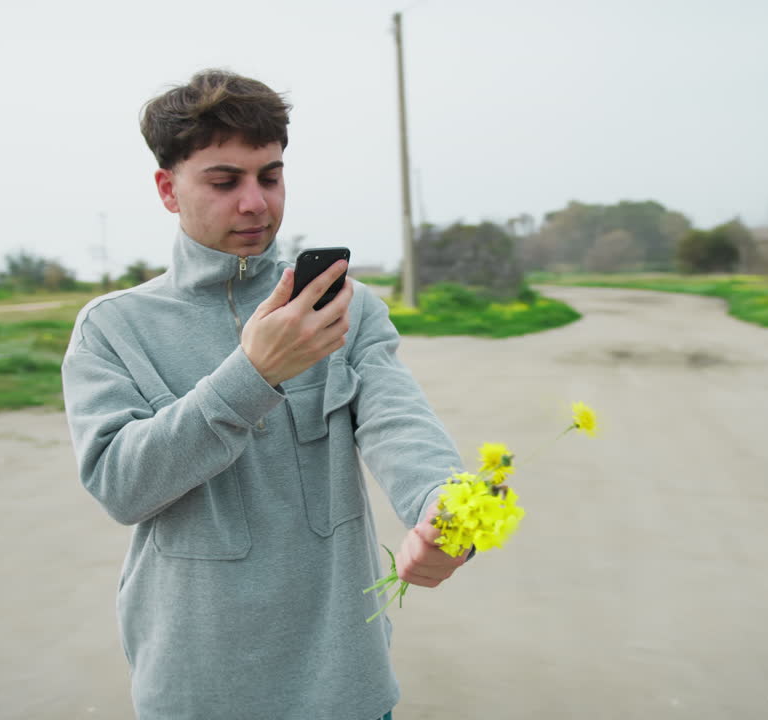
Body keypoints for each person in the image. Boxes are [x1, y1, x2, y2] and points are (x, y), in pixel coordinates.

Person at [61, 69, 468, 719]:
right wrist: (252, 374)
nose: (255, 203)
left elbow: (401, 423)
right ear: (168, 189)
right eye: (225, 182)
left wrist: (447, 509)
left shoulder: (344, 307)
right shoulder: (113, 328)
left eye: (270, 177)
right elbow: (120, 486)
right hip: (197, 690)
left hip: (346, 685)